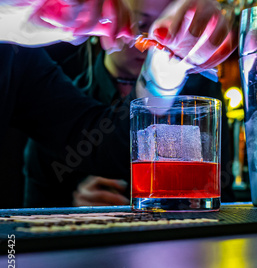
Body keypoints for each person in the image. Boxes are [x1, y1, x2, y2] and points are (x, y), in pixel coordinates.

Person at [0, 0, 237, 208]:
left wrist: (165, 69)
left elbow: (110, 143)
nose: (151, 37)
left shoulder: (20, 60)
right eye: (142, 24)